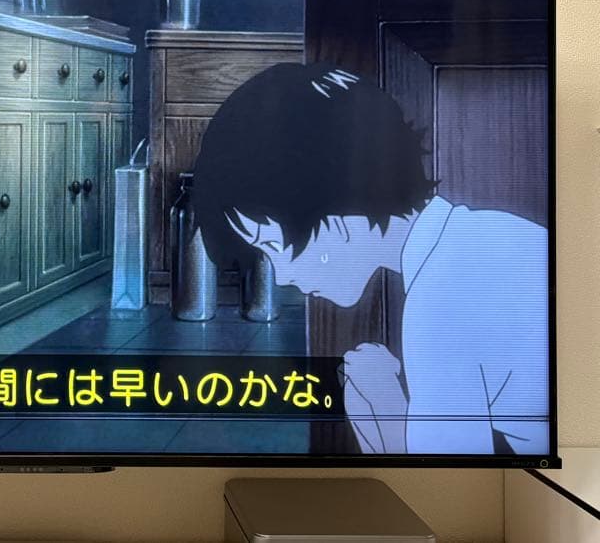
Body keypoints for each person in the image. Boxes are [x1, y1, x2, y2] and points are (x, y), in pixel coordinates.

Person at [192, 62, 549, 455]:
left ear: (337, 215)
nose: (280, 277)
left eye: (274, 246)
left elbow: (443, 476)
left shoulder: (441, 300)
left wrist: (379, 408)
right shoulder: (493, 235)